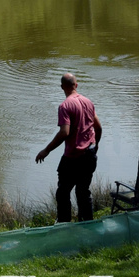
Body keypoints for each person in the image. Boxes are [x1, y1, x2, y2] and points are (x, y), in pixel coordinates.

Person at [35, 72, 103, 222]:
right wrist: (96, 145)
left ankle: (64, 225)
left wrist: (46, 150)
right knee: (83, 192)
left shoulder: (65, 106)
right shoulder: (88, 102)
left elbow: (64, 132)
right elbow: (98, 128)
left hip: (73, 157)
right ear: (76, 85)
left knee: (63, 193)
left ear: (62, 87)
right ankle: (87, 224)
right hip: (90, 154)